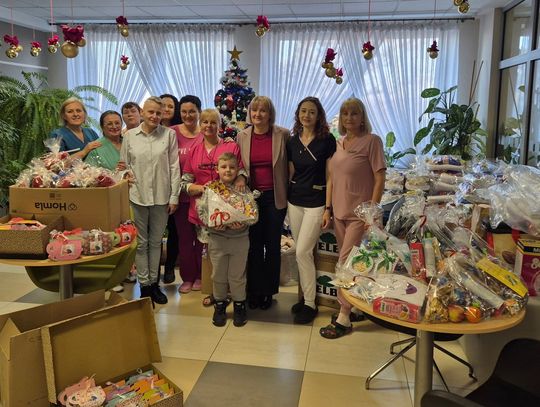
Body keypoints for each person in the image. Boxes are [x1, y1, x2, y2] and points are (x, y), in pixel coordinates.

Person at [319, 97, 386, 339]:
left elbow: (380, 178)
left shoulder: (372, 142)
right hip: (339, 212)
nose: (349, 119)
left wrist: (372, 210)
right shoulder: (339, 144)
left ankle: (344, 316)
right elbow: (331, 179)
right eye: (345, 114)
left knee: (345, 264)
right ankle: (355, 305)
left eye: (354, 114)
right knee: (350, 263)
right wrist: (327, 209)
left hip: (360, 215)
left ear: (362, 117)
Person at [120, 96, 181, 305]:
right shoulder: (129, 136)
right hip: (136, 196)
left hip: (162, 198)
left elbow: (174, 167)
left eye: (158, 112)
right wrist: (125, 175)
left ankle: (155, 284)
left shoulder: (169, 135)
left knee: (156, 243)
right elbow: (123, 165)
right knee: (141, 243)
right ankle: (144, 285)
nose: (154, 116)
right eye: (150, 112)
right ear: (142, 112)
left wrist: (174, 196)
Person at [235, 96, 290, 310]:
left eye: (263, 111)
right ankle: (255, 290)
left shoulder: (282, 134)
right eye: (254, 110)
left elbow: (289, 165)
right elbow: (240, 165)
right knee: (254, 246)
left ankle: (269, 291)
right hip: (252, 198)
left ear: (270, 114)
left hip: (275, 198)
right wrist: (240, 176)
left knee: (272, 246)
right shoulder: (242, 136)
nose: (258, 114)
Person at [287, 97, 336, 324]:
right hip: (294, 201)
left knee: (302, 252)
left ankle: (309, 304)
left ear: (319, 116)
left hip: (316, 203)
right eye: (303, 111)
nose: (307, 115)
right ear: (298, 114)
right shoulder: (292, 141)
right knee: (302, 252)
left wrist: (328, 208)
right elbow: (290, 172)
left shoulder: (327, 140)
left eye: (312, 112)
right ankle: (306, 298)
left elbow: (330, 175)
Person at [181, 109, 244, 260]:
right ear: (200, 124)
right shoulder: (194, 151)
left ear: (220, 125)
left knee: (223, 254)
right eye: (205, 122)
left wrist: (241, 180)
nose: (209, 125)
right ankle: (204, 281)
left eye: (213, 122)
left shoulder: (231, 147)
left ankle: (222, 283)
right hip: (201, 210)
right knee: (204, 253)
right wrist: (200, 188)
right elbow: (184, 182)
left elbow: (241, 173)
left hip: (227, 209)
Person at [203, 152, 252, 327]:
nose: (228, 170)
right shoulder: (210, 189)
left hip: (240, 239)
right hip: (217, 239)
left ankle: (239, 306)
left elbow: (253, 212)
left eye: (232, 167)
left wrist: (245, 223)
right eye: (224, 167)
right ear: (217, 169)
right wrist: (212, 224)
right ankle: (220, 305)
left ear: (238, 169)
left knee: (237, 276)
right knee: (218, 275)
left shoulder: (243, 189)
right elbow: (203, 212)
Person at [85, 110, 128, 293]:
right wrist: (112, 173)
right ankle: (110, 277)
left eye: (117, 122)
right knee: (110, 237)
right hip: (107, 198)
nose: (114, 126)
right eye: (109, 123)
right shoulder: (97, 146)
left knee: (127, 234)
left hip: (129, 196)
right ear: (102, 127)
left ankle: (126, 271)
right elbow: (88, 174)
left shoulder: (128, 142)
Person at [169, 95, 204, 291]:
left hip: (200, 196)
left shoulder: (205, 132)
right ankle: (187, 277)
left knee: (201, 238)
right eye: (184, 111)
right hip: (179, 196)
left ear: (199, 112)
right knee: (183, 238)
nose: (188, 115)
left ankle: (200, 275)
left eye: (192, 111)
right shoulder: (171, 132)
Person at [159, 94, 182, 283]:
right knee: (155, 233)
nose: (166, 109)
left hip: (175, 187)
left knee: (174, 231)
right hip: (154, 189)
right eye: (163, 106)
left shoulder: (177, 132)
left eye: (170, 106)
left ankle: (169, 267)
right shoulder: (149, 130)